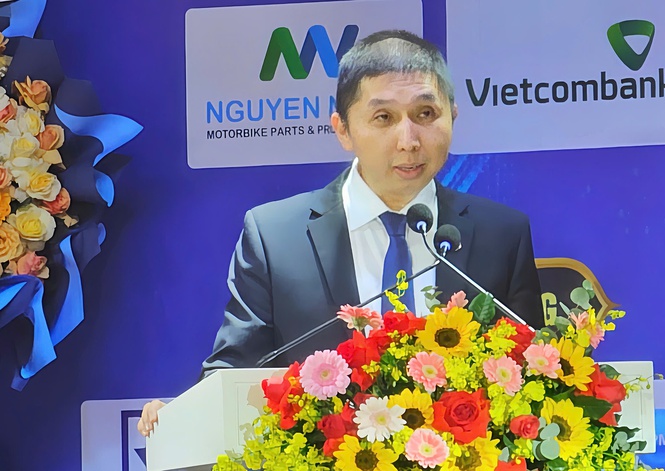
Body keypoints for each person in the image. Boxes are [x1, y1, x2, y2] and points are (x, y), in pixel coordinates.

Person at [138, 29, 543, 437]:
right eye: (383, 118)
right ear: (343, 129)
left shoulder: (502, 235)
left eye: (425, 114)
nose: (408, 141)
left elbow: (533, 381)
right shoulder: (276, 238)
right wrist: (182, 418)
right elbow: (235, 370)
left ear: (452, 116)